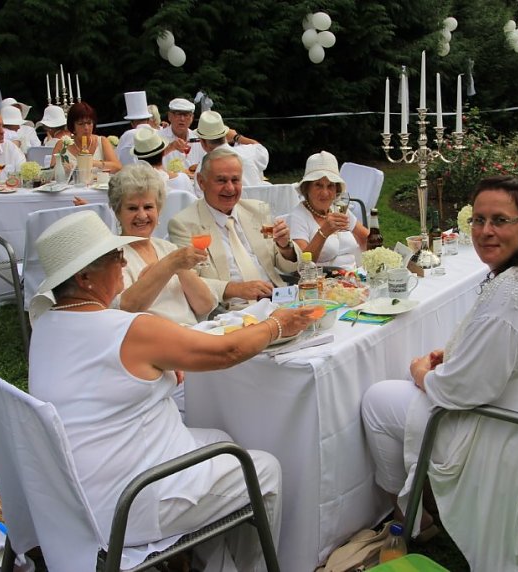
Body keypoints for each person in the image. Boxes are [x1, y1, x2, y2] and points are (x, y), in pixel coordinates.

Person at [27, 209, 317, 571]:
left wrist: (157, 364)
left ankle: (215, 564)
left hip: (79, 488)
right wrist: (276, 324)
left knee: (219, 438)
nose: (124, 262)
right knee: (265, 469)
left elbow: (106, 376)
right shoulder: (126, 329)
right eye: (116, 257)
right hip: (129, 499)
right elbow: (226, 351)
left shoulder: (47, 324)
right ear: (85, 278)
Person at [361, 176, 518, 571]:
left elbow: (462, 390)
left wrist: (423, 374)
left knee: (378, 400)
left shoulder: (517, 288)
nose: (486, 231)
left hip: (514, 438)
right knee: (404, 394)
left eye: (500, 220)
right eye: (479, 219)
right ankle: (422, 503)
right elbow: (508, 350)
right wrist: (455, 356)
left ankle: (411, 517)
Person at [168, 147, 298, 308]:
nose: (230, 188)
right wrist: (235, 289)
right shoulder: (184, 224)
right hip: (232, 310)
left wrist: (285, 247)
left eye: (235, 180)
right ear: (201, 182)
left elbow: (287, 266)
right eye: (221, 180)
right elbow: (188, 281)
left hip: (279, 299)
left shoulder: (257, 211)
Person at [110, 162, 216, 325]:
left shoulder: (167, 248)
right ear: (118, 212)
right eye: (132, 208)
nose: (142, 215)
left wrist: (178, 267)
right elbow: (125, 309)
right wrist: (168, 265)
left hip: (192, 331)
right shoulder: (113, 257)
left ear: (158, 210)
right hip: (154, 337)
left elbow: (204, 306)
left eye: (148, 207)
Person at [288, 151, 368, 267]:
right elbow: (304, 264)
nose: (325, 193)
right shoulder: (299, 216)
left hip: (354, 275)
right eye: (318, 185)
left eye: (330, 186)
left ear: (337, 190)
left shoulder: (338, 209)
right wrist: (323, 232)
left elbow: (366, 238)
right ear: (307, 188)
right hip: (323, 277)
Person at [192, 111, 269, 197]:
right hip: (256, 203)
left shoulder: (202, 168)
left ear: (203, 142)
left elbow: (201, 198)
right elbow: (261, 149)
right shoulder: (248, 152)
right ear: (225, 135)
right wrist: (237, 137)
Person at [50, 101, 121, 173]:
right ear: (73, 127)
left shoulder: (102, 141)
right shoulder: (62, 145)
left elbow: (117, 167)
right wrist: (63, 168)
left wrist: (93, 163)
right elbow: (51, 172)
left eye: (89, 123)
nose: (86, 128)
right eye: (81, 124)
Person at [132, 127, 195, 195]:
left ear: (138, 157)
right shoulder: (183, 179)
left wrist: (169, 148)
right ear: (163, 152)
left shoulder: (134, 186)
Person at [158, 97, 205, 177]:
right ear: (169, 116)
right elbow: (149, 163)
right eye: (178, 114)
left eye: (186, 115)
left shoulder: (199, 139)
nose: (182, 119)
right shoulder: (158, 138)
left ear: (192, 118)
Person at [116, 91, 154, 166]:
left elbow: (116, 158)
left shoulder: (127, 135)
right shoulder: (158, 133)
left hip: (130, 172)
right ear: (149, 120)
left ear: (132, 123)